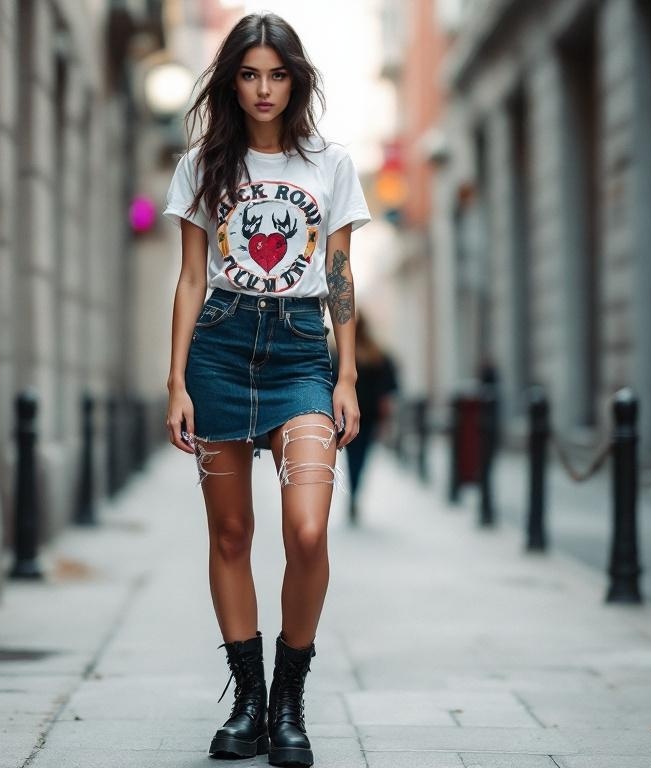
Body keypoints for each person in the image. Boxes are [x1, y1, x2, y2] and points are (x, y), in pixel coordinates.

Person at [162, 13, 370, 767]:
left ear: (296, 79)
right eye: (249, 74)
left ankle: (291, 696)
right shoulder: (201, 164)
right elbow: (190, 277)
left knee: (308, 530)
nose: (263, 89)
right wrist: (177, 377)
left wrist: (345, 374)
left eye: (276, 74)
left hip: (298, 355)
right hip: (218, 346)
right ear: (231, 81)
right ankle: (248, 701)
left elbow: (340, 273)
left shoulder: (331, 162)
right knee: (230, 535)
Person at [343, 315, 398, 524]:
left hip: (348, 415)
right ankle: (355, 493)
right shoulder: (378, 355)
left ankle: (354, 492)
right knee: (362, 457)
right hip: (369, 416)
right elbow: (386, 393)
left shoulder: (343, 355)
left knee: (352, 457)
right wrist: (385, 419)